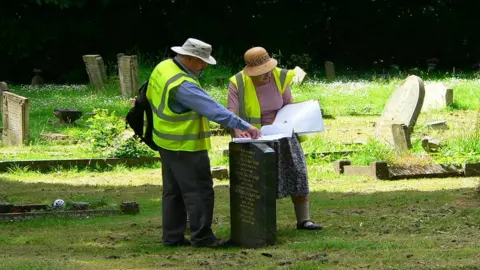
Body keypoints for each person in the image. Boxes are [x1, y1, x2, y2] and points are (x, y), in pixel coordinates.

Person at [146, 38, 261, 247]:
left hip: (164, 139)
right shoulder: (183, 85)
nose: (204, 66)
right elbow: (212, 109)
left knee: (173, 192)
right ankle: (203, 237)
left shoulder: (164, 67)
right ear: (189, 58)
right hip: (186, 145)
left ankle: (172, 238)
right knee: (199, 191)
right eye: (201, 61)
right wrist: (244, 126)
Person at [227, 47, 323, 230]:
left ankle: (304, 220)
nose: (266, 75)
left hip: (284, 135)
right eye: (260, 73)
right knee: (257, 180)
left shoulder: (280, 77)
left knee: (298, 173)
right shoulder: (237, 82)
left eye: (268, 70)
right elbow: (231, 111)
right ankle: (257, 224)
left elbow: (289, 106)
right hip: (254, 138)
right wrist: (237, 129)